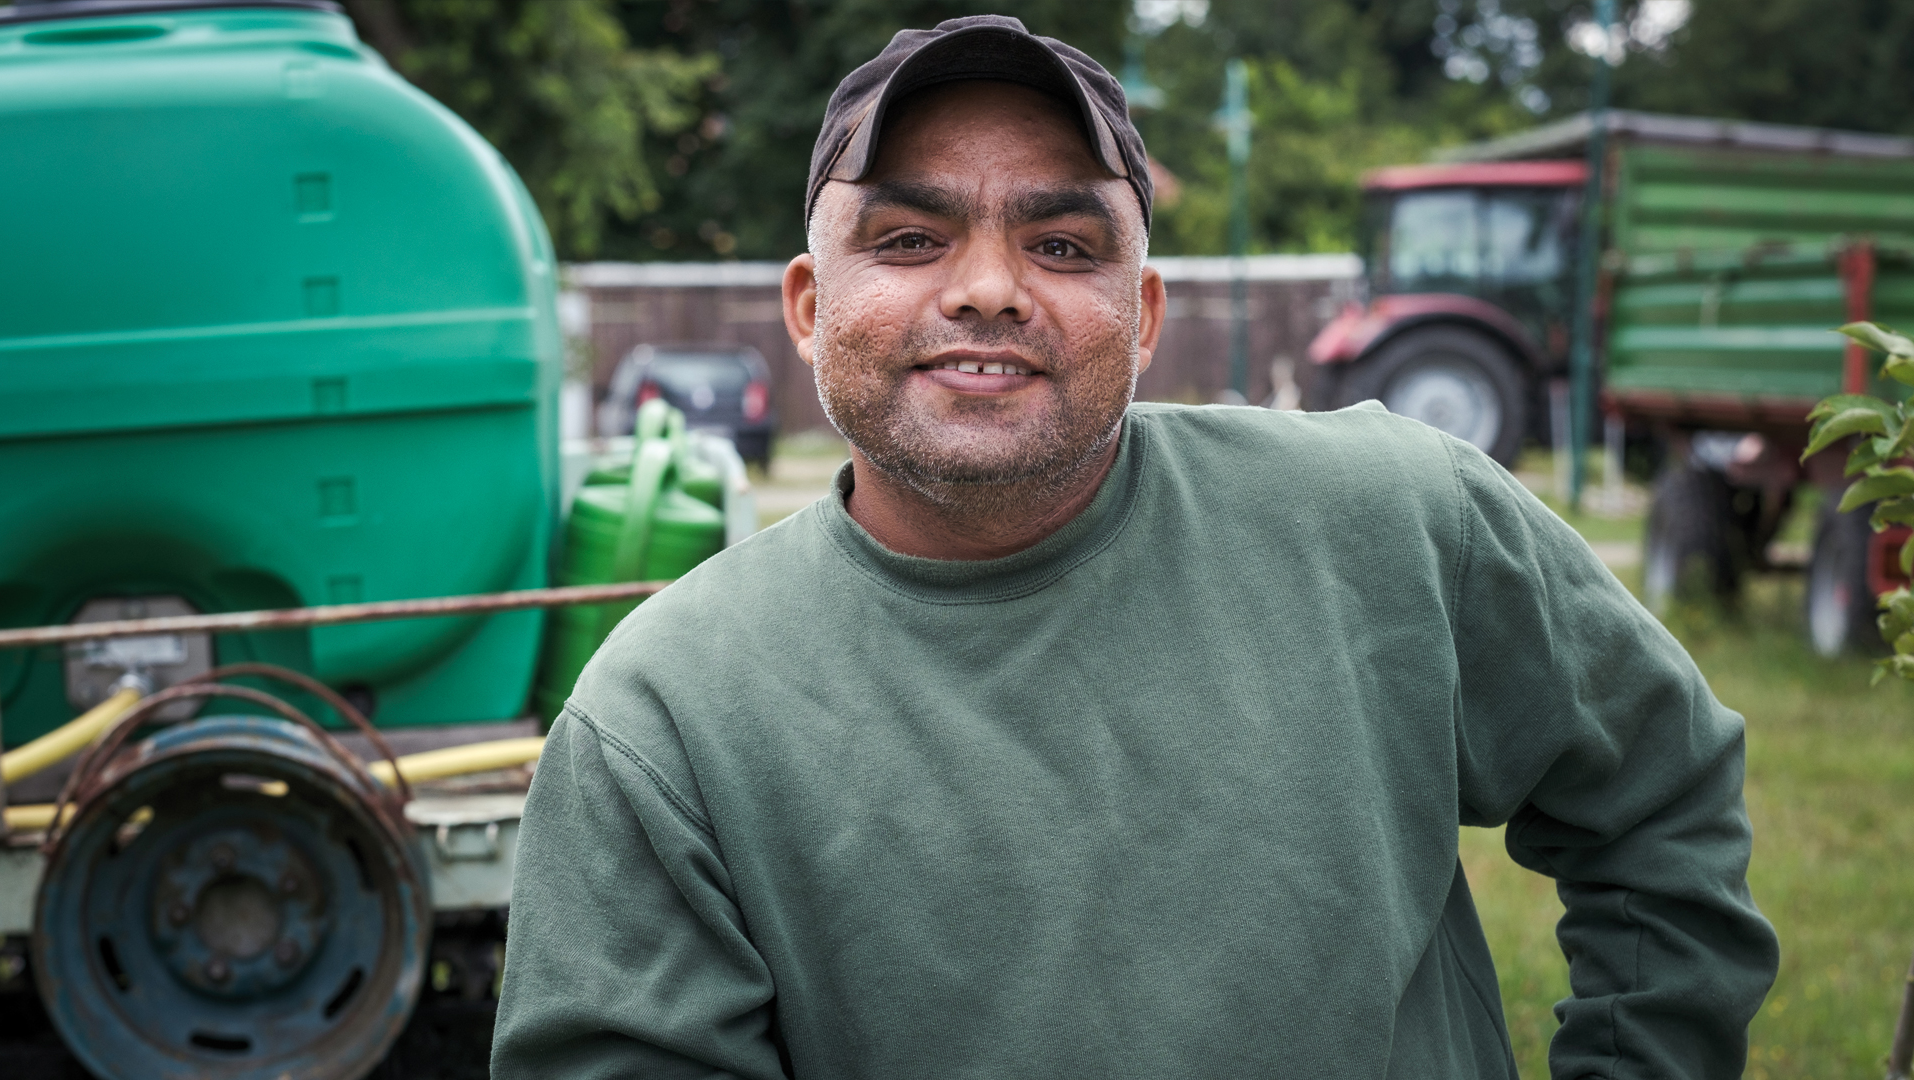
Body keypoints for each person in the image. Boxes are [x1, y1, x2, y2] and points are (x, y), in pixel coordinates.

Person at [492, 16, 1777, 1078]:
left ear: (1144, 312)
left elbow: (1660, 801)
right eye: (908, 239)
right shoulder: (659, 724)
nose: (988, 287)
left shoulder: (1394, 520)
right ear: (810, 308)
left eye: (1062, 243)